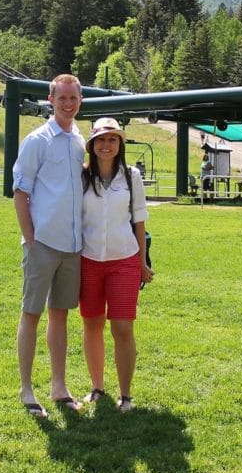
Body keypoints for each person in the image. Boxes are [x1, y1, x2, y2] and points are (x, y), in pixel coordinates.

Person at [12, 73, 85, 418]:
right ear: (51, 100)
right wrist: (30, 239)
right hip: (42, 244)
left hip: (72, 246)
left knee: (60, 315)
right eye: (62, 98)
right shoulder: (37, 140)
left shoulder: (79, 140)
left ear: (80, 100)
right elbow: (20, 191)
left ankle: (59, 387)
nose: (68, 104)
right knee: (31, 314)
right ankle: (27, 390)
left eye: (73, 98)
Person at [78, 118, 153, 413]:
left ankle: (126, 395)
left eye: (112, 140)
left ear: (120, 144)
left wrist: (142, 262)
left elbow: (139, 220)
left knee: (123, 327)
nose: (106, 145)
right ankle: (97, 387)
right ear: (92, 145)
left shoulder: (131, 176)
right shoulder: (81, 176)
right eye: (100, 140)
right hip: (88, 260)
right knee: (92, 324)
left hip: (124, 260)